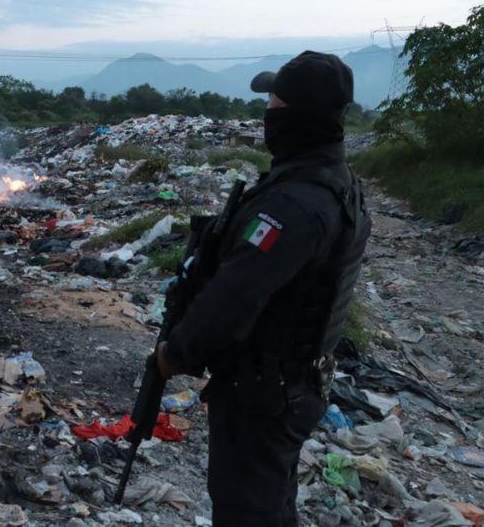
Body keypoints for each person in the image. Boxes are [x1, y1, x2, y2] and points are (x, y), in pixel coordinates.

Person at [155, 51, 371, 526]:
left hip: (264, 393)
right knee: (271, 504)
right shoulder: (337, 183)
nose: (266, 114)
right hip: (291, 383)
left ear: (294, 116)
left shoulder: (294, 206)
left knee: (249, 510)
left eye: (272, 104)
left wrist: (175, 354)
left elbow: (234, 298)